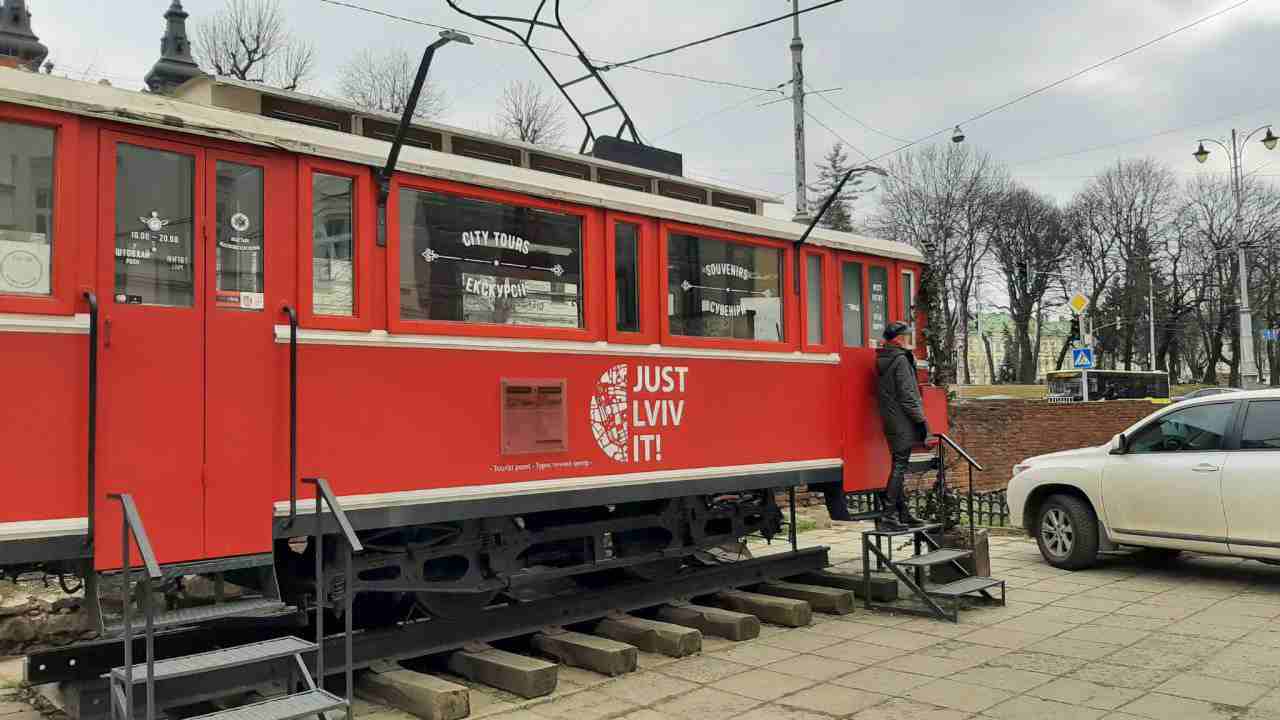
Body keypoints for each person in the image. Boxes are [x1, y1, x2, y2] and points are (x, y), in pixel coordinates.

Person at [875, 321, 928, 529]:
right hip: (902, 420)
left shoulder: (885, 358)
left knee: (899, 465)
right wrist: (921, 420)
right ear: (898, 338)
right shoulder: (900, 360)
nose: (909, 339)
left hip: (891, 418)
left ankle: (903, 513)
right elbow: (908, 395)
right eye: (906, 336)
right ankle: (888, 516)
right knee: (899, 466)